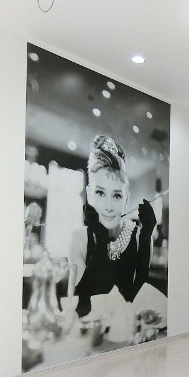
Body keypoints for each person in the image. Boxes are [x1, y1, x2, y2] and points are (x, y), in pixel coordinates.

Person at [70, 134, 157, 318]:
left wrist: (145, 238)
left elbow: (140, 305)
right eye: (100, 193)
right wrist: (101, 242)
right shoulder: (79, 239)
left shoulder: (140, 237)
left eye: (117, 195)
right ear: (89, 194)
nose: (108, 206)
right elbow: (80, 307)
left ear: (126, 199)